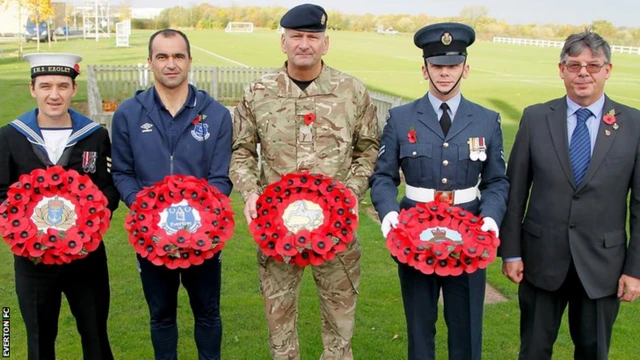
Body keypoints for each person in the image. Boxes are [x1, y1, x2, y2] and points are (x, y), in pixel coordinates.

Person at [229, 4, 379, 359]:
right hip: (276, 231)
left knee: (340, 327)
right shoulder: (258, 93)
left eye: (313, 37)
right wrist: (251, 193)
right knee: (279, 327)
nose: (305, 44)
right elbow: (241, 152)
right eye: (297, 36)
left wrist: (352, 192)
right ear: (283, 41)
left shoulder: (351, 92)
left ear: (326, 44)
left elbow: (370, 149)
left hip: (337, 231)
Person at [369, 23, 509, 360]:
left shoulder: (487, 120)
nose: (444, 73)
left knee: (467, 330)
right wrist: (390, 214)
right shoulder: (401, 118)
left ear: (466, 68)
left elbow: (496, 181)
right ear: (424, 69)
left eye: (452, 65)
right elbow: (382, 177)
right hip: (414, 234)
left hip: (470, 234)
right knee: (420, 329)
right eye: (437, 65)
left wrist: (490, 217)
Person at [499, 30, 640, 360]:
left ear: (608, 70)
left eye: (593, 65)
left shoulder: (633, 124)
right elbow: (516, 189)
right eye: (574, 65)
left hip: (602, 266)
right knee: (533, 351)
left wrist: (635, 270)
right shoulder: (536, 118)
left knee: (593, 352)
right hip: (540, 260)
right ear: (561, 69)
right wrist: (511, 252)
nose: (583, 73)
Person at [110, 29, 233, 360]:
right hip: (151, 237)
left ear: (190, 61)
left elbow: (221, 178)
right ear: (149, 62)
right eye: (162, 56)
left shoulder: (217, 114)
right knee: (161, 315)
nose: (171, 64)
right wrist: (147, 209)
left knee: (207, 312)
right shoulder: (128, 113)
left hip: (205, 237)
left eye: (178, 56)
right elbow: (121, 172)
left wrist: (201, 215)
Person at [0, 53, 119, 359]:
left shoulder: (94, 135)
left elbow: (109, 188)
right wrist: (24, 231)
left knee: (95, 336)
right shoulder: (10, 137)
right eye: (46, 86)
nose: (54, 95)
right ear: (32, 89)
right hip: (33, 262)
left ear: (73, 89)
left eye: (63, 86)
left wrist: (91, 214)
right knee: (39, 341)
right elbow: (2, 194)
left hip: (86, 258)